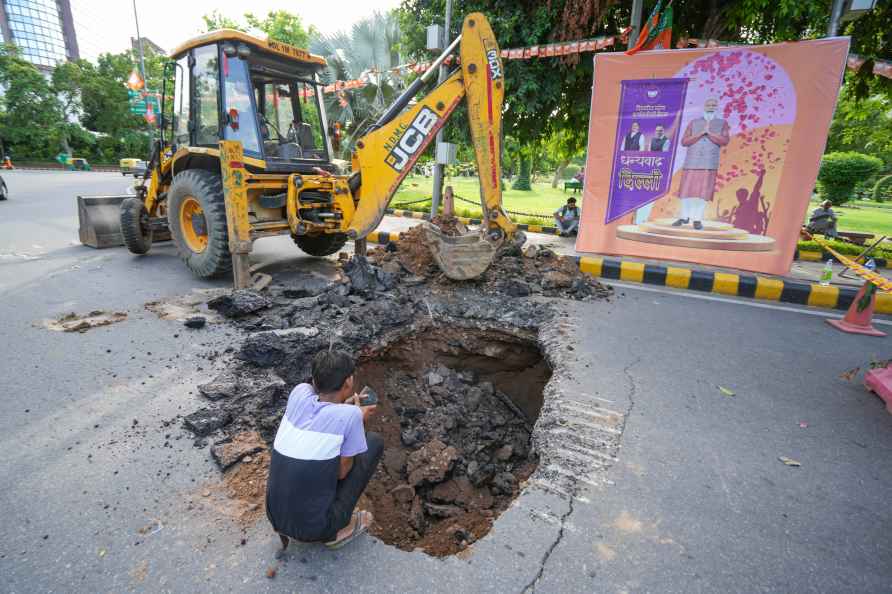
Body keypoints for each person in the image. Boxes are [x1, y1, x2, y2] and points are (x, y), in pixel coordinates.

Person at [265, 349, 383, 550]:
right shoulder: (351, 416)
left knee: (317, 458)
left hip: (274, 515)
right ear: (348, 382)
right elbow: (341, 473)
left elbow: (320, 408)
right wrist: (356, 416)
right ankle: (335, 533)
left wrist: (343, 409)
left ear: (313, 380)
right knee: (373, 443)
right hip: (314, 529)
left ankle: (298, 523)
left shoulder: (298, 392)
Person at [673, 98, 730, 230]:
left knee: (703, 193)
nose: (711, 106)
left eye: (713, 104)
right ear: (704, 106)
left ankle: (697, 219)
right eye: (708, 104)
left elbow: (724, 141)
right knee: (686, 191)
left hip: (709, 162)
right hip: (691, 161)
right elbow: (684, 141)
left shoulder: (722, 123)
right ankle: (683, 217)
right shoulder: (694, 122)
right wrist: (700, 133)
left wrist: (709, 133)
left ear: (716, 107)